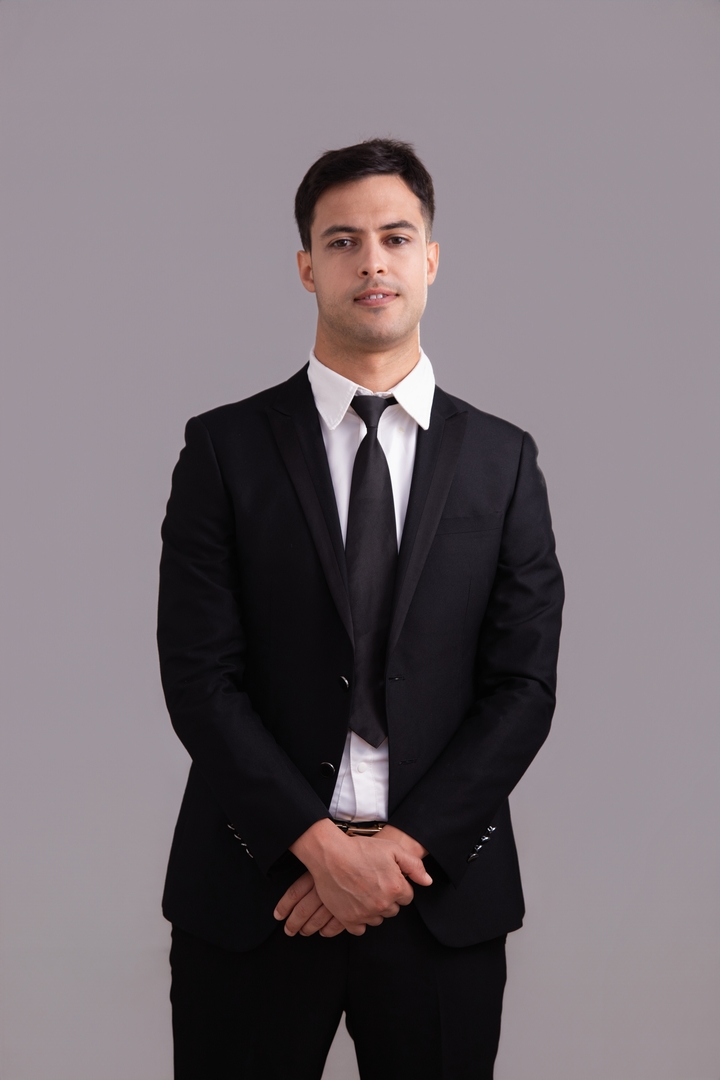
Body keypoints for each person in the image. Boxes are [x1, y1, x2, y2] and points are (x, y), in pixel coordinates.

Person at [157, 138, 564, 1080]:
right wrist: (314, 847)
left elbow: (524, 687)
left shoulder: (504, 461)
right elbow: (200, 677)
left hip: (436, 894)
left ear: (432, 258)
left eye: (395, 237)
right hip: (259, 887)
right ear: (307, 267)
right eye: (342, 241)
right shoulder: (223, 450)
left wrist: (400, 854)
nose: (371, 261)